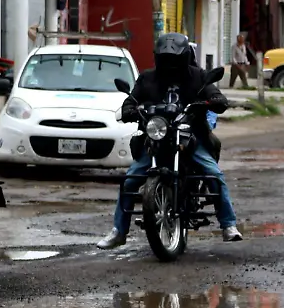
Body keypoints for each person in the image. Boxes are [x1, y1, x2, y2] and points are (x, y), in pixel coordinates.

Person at [98, 33, 242, 249]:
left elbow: (213, 93)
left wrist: (216, 100)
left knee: (213, 174)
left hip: (190, 137)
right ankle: (119, 230)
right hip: (157, 137)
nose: (169, 64)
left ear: (184, 57)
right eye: (165, 59)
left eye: (173, 59)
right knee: (129, 181)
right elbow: (132, 99)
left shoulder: (198, 76)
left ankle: (228, 225)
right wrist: (129, 109)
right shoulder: (147, 78)